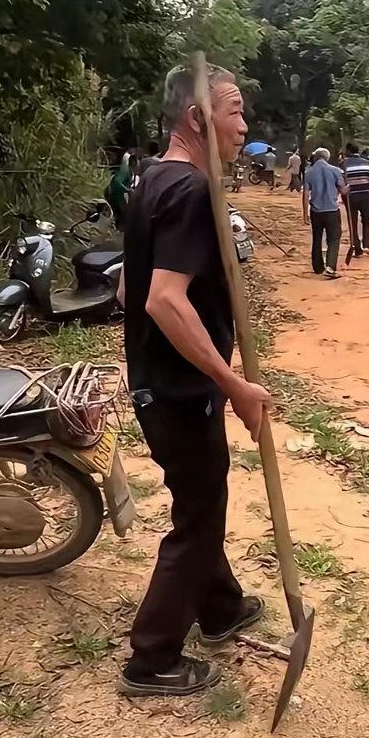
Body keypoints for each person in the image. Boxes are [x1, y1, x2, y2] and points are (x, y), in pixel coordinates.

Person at [118, 63, 268, 698]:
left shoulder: (151, 180)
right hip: (180, 392)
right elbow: (162, 300)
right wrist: (233, 384)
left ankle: (221, 607)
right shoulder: (191, 192)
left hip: (156, 383)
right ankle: (151, 659)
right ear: (197, 118)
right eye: (234, 111)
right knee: (200, 517)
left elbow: (127, 290)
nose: (244, 125)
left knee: (200, 499)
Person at [303, 147, 345, 278]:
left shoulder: (309, 172)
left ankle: (317, 267)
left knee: (317, 238)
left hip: (316, 211)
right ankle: (330, 267)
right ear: (327, 158)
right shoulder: (335, 170)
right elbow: (342, 190)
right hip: (332, 210)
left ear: (316, 157)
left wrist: (305, 214)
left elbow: (305, 194)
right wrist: (348, 189)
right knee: (334, 238)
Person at [342, 143, 369, 256]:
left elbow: (341, 181)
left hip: (350, 197)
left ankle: (356, 248)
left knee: (353, 223)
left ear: (348, 151)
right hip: (365, 195)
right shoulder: (367, 163)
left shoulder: (343, 164)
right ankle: (367, 245)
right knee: (366, 221)